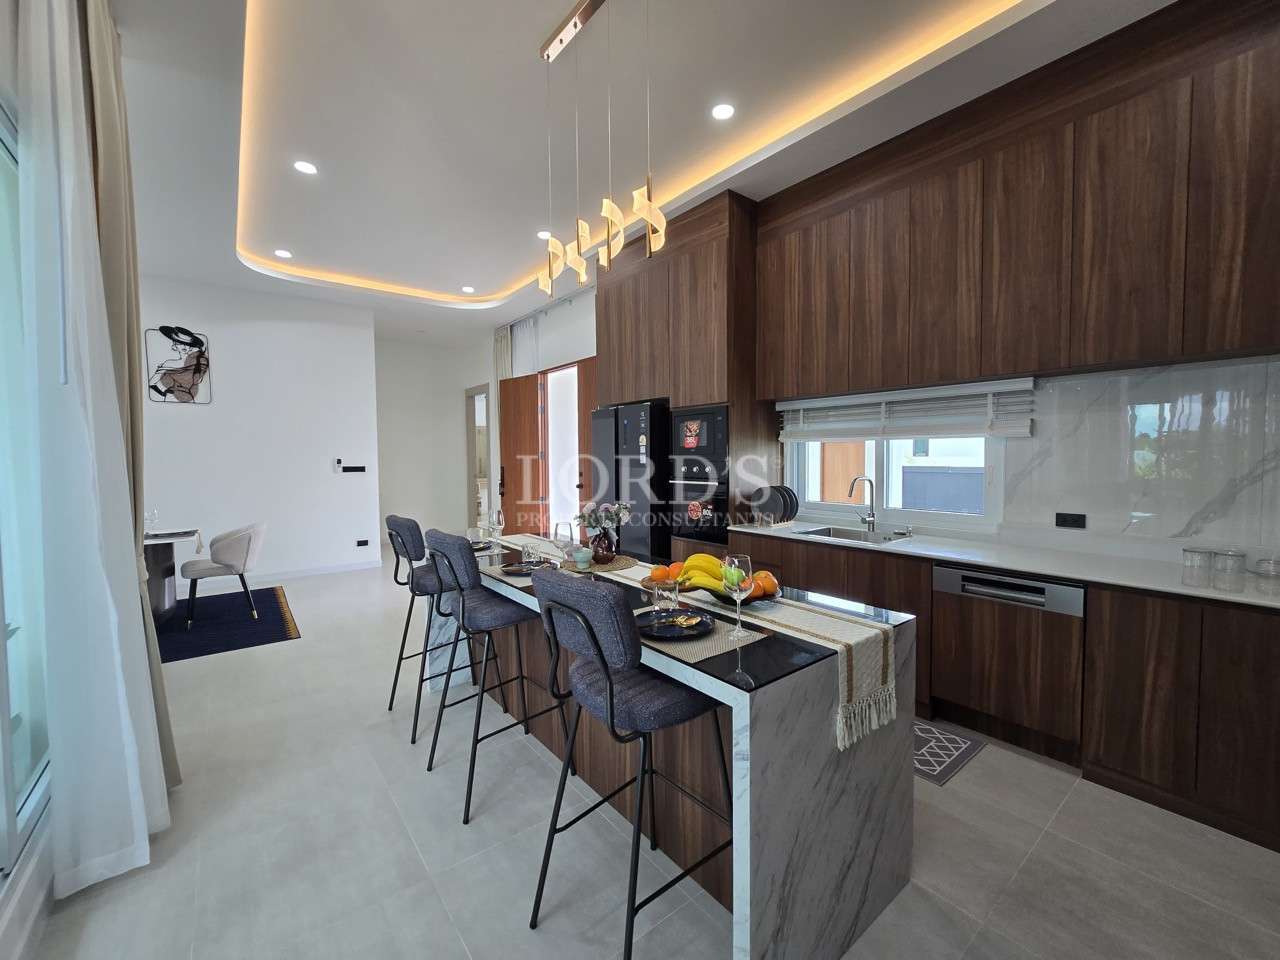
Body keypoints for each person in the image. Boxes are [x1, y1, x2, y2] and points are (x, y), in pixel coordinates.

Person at [148, 325, 209, 403]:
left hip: (190, 396)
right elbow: (152, 383)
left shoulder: (199, 360)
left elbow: (197, 378)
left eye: (187, 344)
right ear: (175, 345)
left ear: (191, 347)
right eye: (180, 343)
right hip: (170, 397)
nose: (184, 346)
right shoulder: (169, 363)